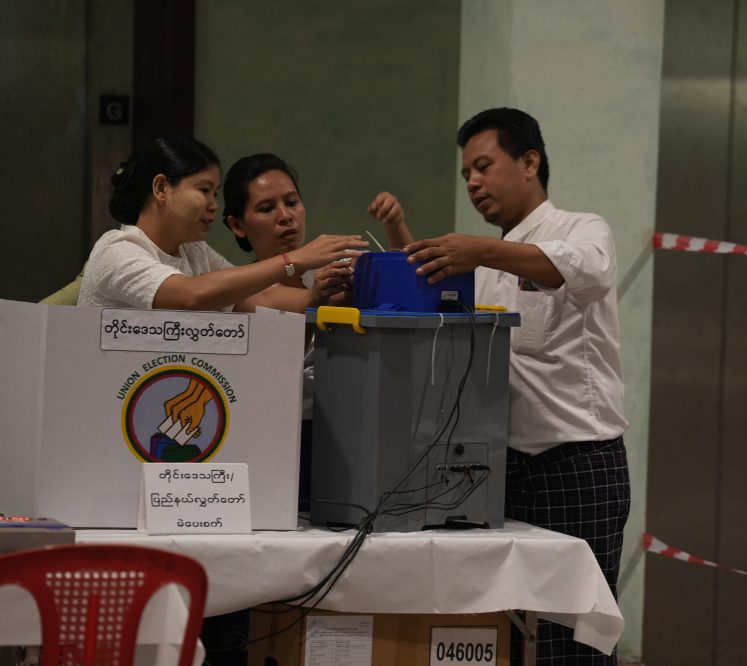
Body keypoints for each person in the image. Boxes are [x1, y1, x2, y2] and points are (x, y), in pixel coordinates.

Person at [404, 107, 630, 665]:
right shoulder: (482, 268)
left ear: (529, 162)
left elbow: (587, 270)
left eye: (483, 167)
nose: (473, 183)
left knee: (571, 639)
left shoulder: (582, 228)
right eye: (466, 175)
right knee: (509, 630)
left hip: (577, 464)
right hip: (502, 467)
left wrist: (481, 250)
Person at [219, 152, 413, 510]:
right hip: (274, 441)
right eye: (266, 208)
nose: (285, 216)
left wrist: (395, 226)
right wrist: (317, 300)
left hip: (349, 434)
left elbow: (408, 290)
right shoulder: (240, 291)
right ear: (237, 225)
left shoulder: (329, 275)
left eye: (292, 202)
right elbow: (281, 360)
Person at [79, 136, 368, 311]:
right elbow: (189, 295)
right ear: (161, 188)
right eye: (204, 190)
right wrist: (295, 259)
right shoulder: (118, 249)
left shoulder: (195, 252)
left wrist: (319, 295)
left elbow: (260, 297)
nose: (213, 205)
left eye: (215, 193)